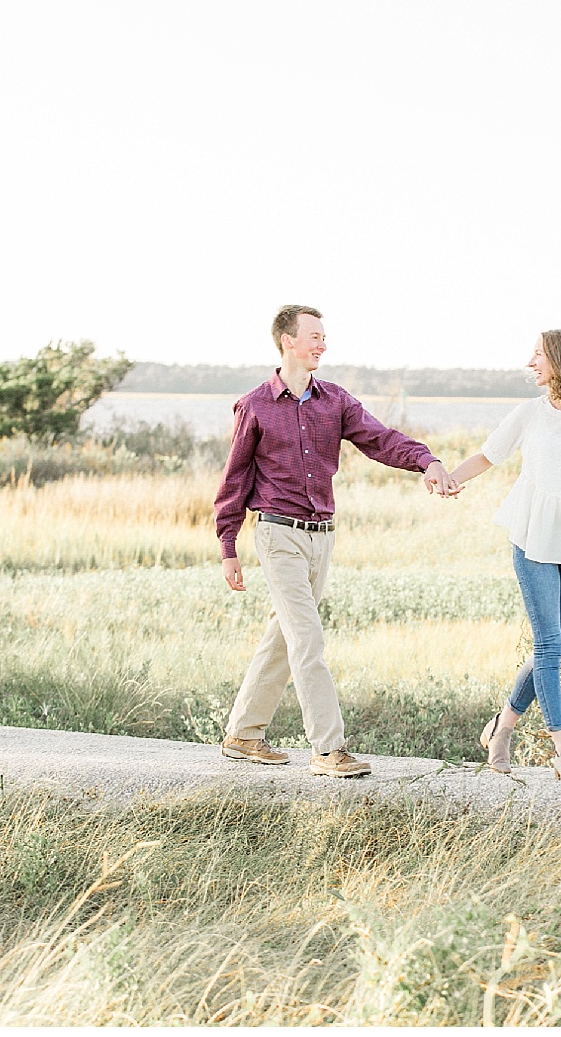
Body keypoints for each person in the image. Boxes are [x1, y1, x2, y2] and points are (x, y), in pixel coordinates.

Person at [216, 304, 458, 778]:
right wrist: (228, 547)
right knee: (307, 638)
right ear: (287, 340)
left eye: (323, 337)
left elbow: (381, 439)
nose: (322, 344)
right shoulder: (255, 406)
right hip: (277, 533)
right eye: (314, 336)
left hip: (321, 537)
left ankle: (243, 734)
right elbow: (235, 479)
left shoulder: (336, 402)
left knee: (284, 637)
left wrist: (426, 461)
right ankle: (329, 749)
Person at [445, 329, 561, 783]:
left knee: (553, 647)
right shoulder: (529, 414)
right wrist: (449, 478)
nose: (530, 362)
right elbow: (488, 457)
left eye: (539, 355)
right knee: (549, 646)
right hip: (534, 537)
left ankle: (502, 726)